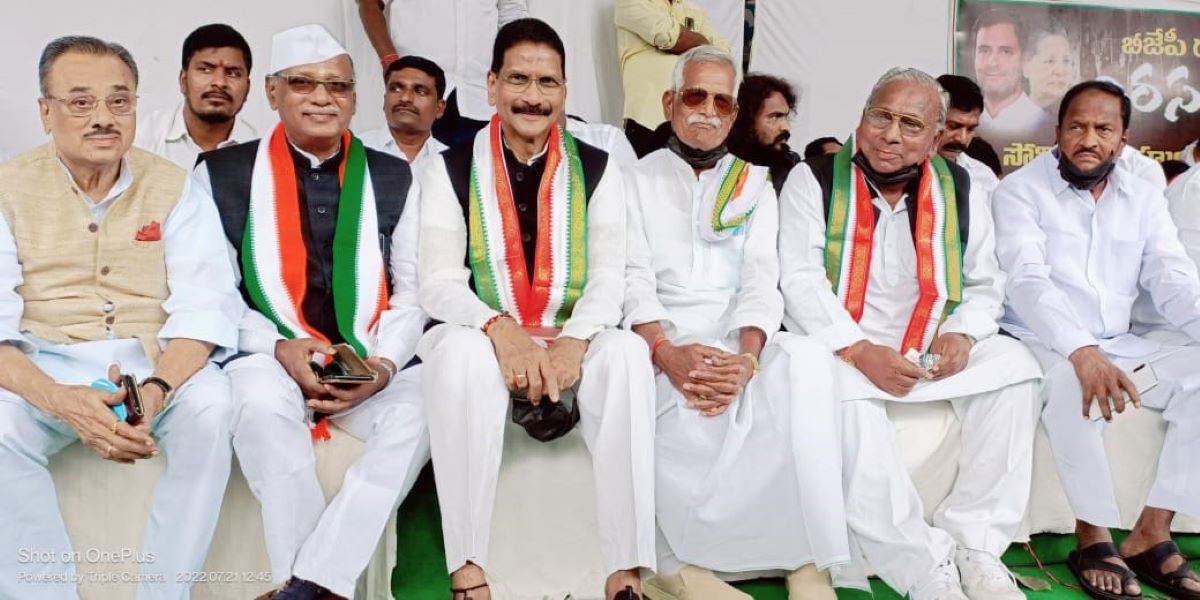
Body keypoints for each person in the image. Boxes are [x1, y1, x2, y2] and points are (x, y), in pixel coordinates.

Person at [778, 67, 1042, 600]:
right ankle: (921, 568)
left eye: (911, 124)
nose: (892, 134)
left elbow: (985, 281)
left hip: (926, 351)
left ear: (935, 136)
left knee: (1018, 369)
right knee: (824, 382)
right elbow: (798, 280)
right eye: (883, 116)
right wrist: (856, 349)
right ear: (862, 116)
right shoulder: (816, 178)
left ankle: (977, 544)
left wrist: (963, 335)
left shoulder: (961, 188)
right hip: (841, 347)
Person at [416, 18, 654, 600]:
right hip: (482, 331)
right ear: (492, 84)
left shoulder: (598, 167)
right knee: (461, 359)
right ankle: (467, 564)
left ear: (565, 92)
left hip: (568, 330)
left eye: (547, 82)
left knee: (625, 354)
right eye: (518, 79)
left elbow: (608, 276)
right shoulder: (449, 165)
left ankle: (625, 569)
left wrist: (574, 341)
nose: (532, 96)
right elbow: (439, 283)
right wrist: (502, 332)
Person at [0, 35, 240, 600]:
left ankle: (164, 593)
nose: (103, 118)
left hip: (152, 360)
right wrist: (61, 400)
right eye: (80, 102)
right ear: (45, 111)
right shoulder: (6, 188)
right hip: (43, 359)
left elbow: (204, 309)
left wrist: (156, 392)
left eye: (120, 101)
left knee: (213, 408)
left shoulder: (176, 186)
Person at [195, 24, 430, 600]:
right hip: (267, 354)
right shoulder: (220, 174)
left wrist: (383, 367)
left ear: (355, 98)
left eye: (339, 86)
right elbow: (214, 292)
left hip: (365, 362)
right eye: (304, 83)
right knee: (256, 407)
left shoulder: (396, 175)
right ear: (272, 93)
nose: (323, 97)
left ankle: (310, 580)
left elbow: (413, 291)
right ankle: (320, 584)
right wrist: (277, 346)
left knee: (430, 405)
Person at [625, 45, 848, 600]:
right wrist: (667, 352)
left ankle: (806, 557)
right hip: (660, 334)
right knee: (657, 393)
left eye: (722, 101)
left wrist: (747, 360)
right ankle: (679, 567)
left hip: (736, 334)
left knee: (806, 362)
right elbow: (629, 276)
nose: (707, 110)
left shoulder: (755, 182)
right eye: (695, 96)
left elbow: (760, 280)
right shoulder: (633, 177)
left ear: (733, 114)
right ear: (670, 102)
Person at [993, 80, 1200, 600]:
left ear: (1123, 138)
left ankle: (1151, 532)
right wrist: (1081, 351)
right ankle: (1093, 536)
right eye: (1077, 126)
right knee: (1071, 384)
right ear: (1057, 131)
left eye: (1103, 129)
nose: (1089, 139)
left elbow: (1172, 279)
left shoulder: (1144, 198)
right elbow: (1028, 281)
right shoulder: (1019, 190)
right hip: (1041, 341)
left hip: (1118, 341)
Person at [358, 0, 530, 146]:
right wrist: (389, 62)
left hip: (480, 97)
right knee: (415, 181)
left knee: (475, 181)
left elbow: (512, 13)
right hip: (417, 94)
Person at [135, 23, 257, 169]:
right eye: (205, 69)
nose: (219, 82)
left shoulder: (261, 151)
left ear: (248, 89)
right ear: (183, 81)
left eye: (232, 73)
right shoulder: (144, 140)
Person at [616, 0, 728, 157]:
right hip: (648, 122)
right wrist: (701, 45)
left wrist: (695, 45)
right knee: (648, 180)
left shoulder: (692, 9)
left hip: (695, 122)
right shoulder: (631, 2)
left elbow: (723, 54)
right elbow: (669, 36)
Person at [972, 9, 1052, 148]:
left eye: (1005, 52)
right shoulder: (959, 125)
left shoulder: (1044, 126)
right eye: (984, 50)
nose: (992, 62)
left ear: (1025, 60)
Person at [359, 54, 449, 167]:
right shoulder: (355, 150)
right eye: (395, 89)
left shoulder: (451, 163)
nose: (405, 98)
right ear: (384, 100)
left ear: (439, 108)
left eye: (420, 91)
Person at [728, 72, 803, 195]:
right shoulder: (715, 170)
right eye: (775, 117)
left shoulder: (793, 171)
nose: (786, 127)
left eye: (786, 117)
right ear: (744, 120)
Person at [936, 75, 1000, 206]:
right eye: (953, 126)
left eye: (971, 129)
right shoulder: (902, 172)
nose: (962, 138)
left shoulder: (983, 177)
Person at [1023, 26, 1077, 112]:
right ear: (1026, 65)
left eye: (1066, 61)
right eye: (1050, 61)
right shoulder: (1008, 118)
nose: (1060, 71)